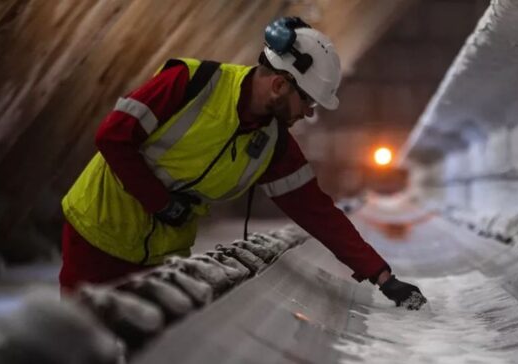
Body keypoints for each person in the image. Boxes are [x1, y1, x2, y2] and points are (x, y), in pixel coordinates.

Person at [59, 17, 427, 309]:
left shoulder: (273, 144)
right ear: (281, 86)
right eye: (308, 102)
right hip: (99, 232)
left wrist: (382, 276)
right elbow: (113, 137)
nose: (309, 113)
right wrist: (161, 202)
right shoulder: (189, 83)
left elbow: (317, 212)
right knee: (81, 343)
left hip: (162, 255)